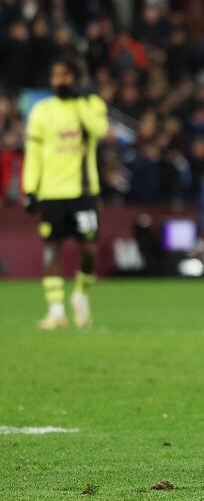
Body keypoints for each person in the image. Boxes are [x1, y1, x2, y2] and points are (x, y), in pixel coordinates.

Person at [22, 58, 109, 329]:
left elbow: (100, 130)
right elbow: (33, 153)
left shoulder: (91, 105)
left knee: (89, 250)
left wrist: (81, 102)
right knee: (52, 250)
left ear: (76, 78)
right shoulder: (41, 110)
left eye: (66, 75)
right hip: (51, 192)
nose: (60, 80)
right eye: (56, 75)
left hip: (83, 191)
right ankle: (56, 311)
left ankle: (81, 295)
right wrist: (30, 188)